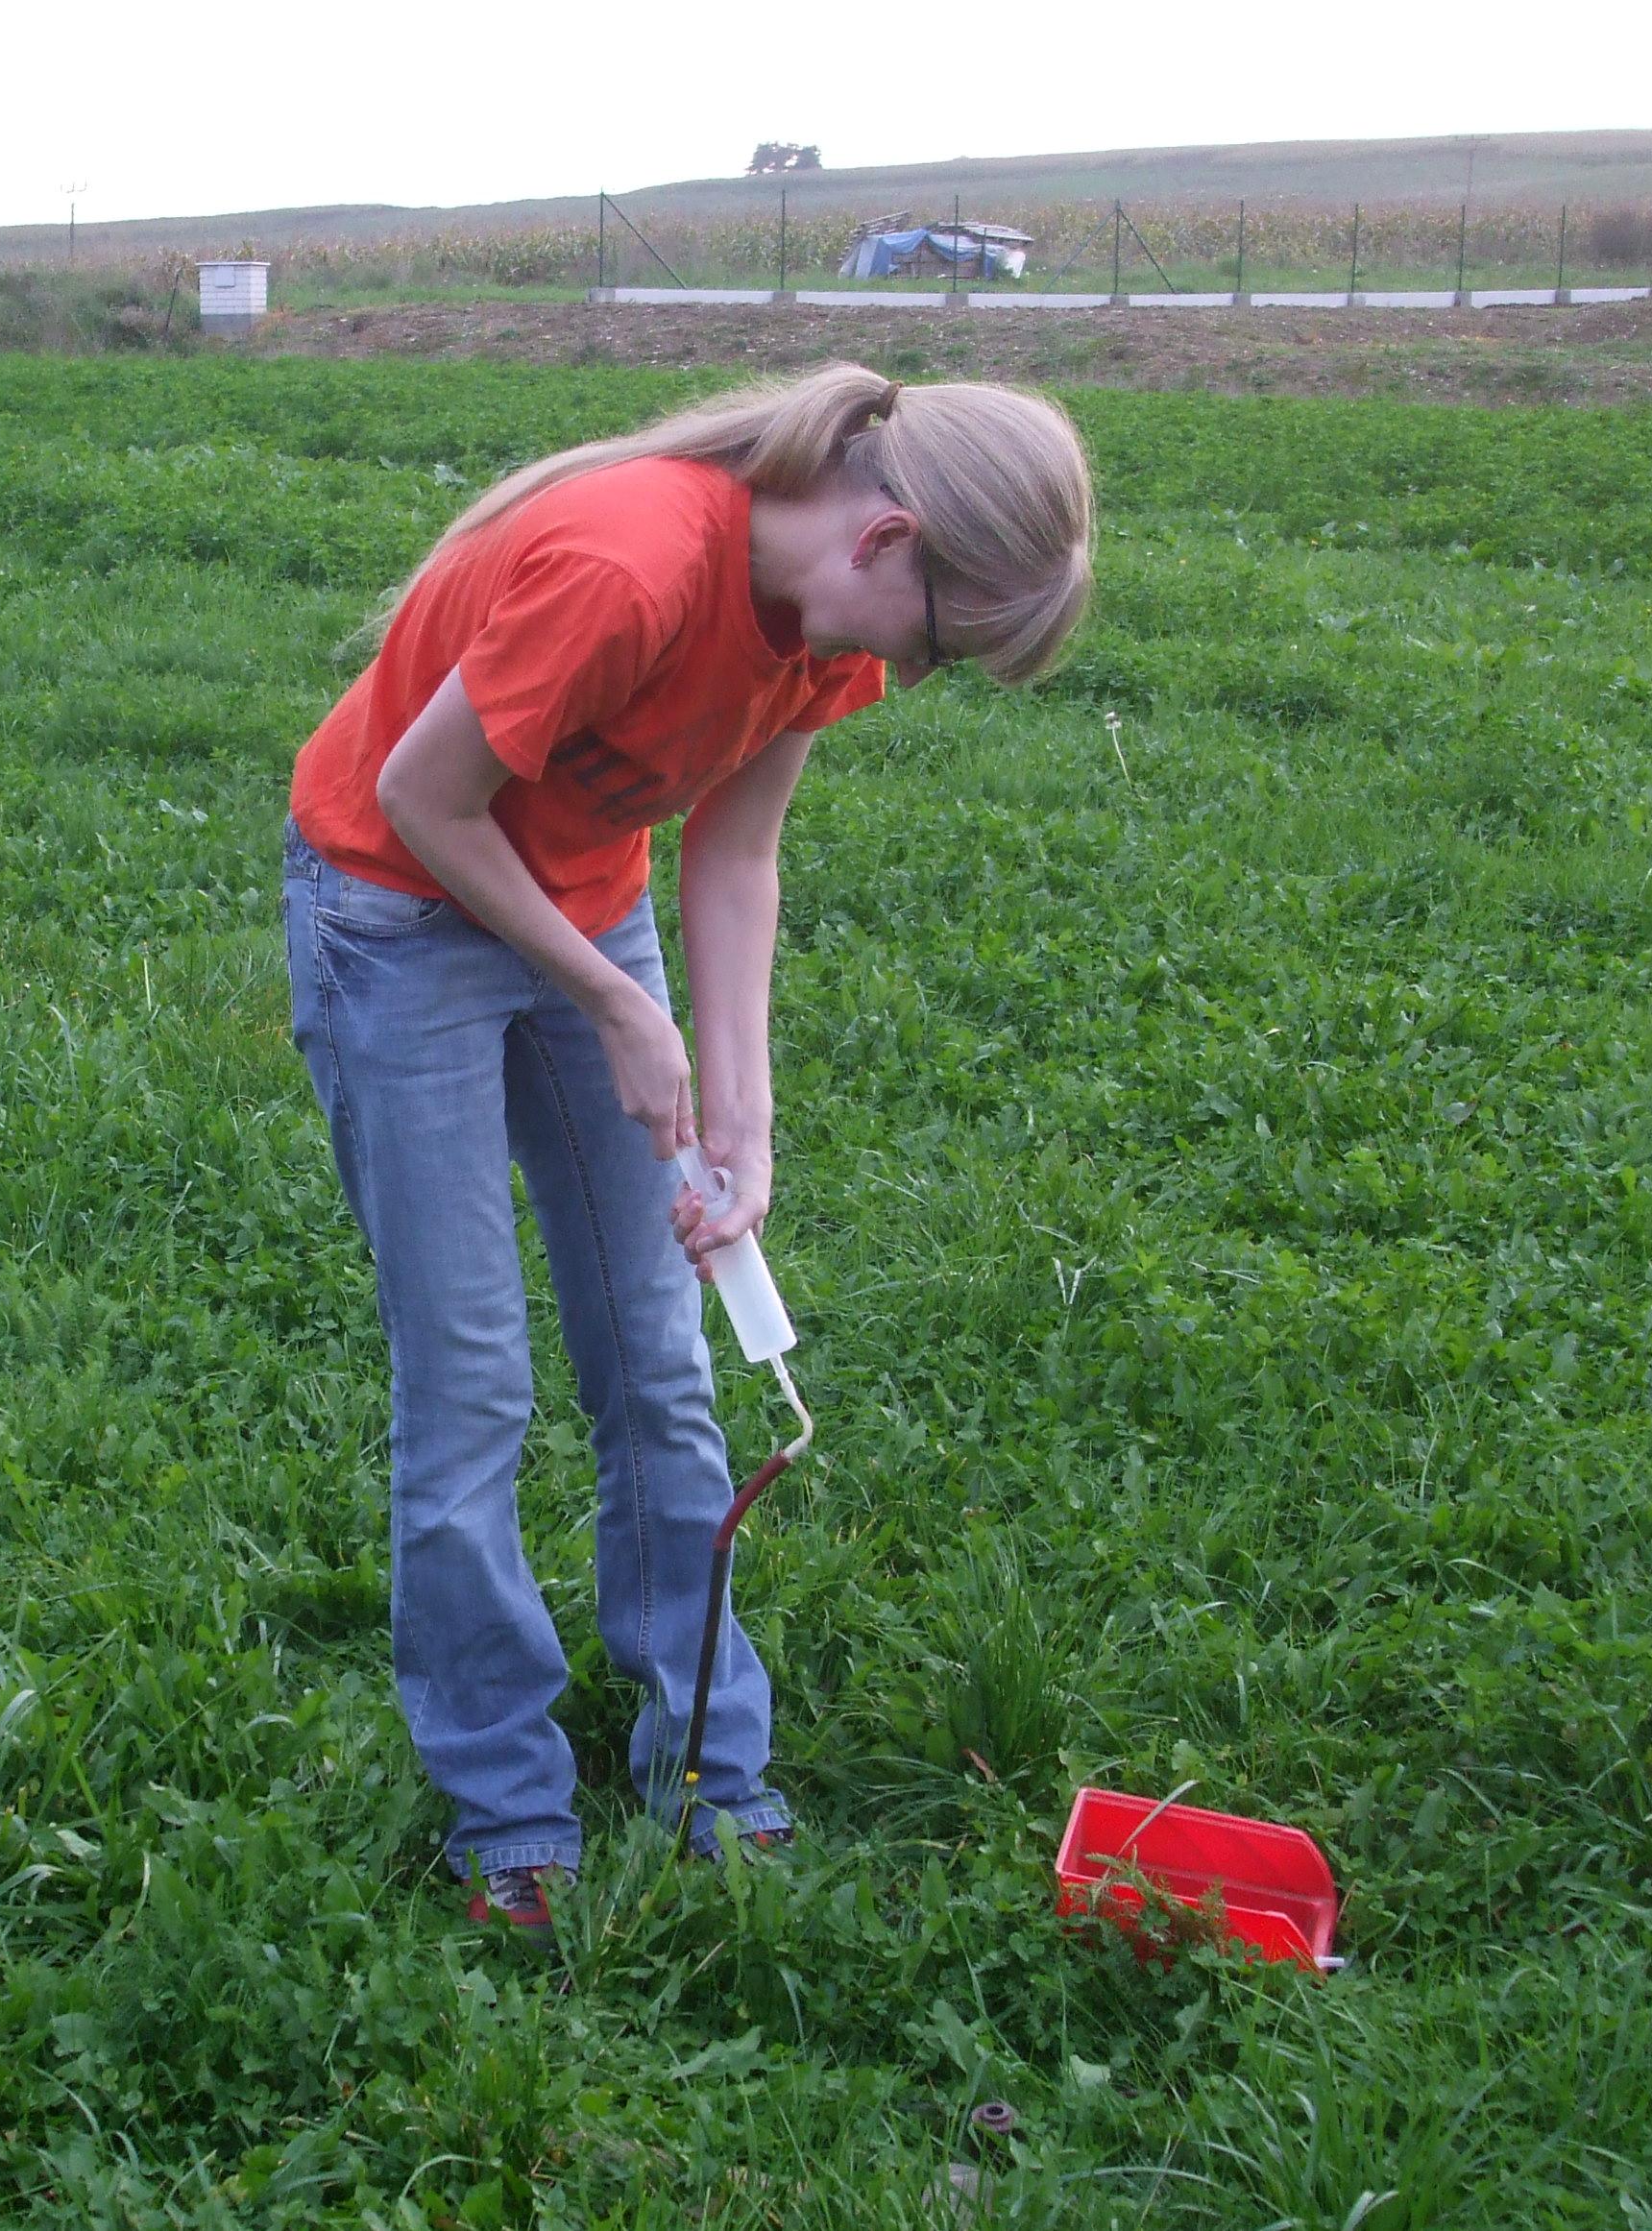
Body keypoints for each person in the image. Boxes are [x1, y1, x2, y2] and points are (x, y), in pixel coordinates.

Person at [280, 362, 1096, 1928]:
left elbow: (735, 853)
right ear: (890, 541)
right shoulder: (629, 564)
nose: (908, 681)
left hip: (586, 909)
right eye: (936, 647)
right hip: (396, 911)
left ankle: (713, 1775)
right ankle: (505, 1810)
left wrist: (740, 1111)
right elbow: (428, 800)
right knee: (471, 1387)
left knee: (658, 1367)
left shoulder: (821, 635)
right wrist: (609, 1007)